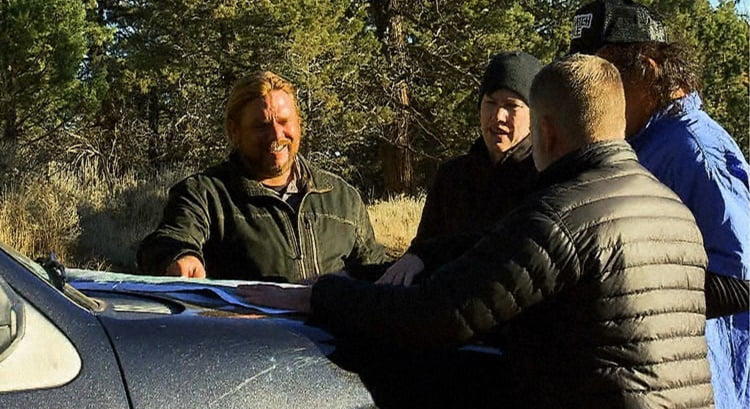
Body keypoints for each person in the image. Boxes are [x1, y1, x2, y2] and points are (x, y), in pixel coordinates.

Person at [240, 54, 714, 408]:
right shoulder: (670, 209)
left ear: (545, 131)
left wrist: (324, 295)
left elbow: (439, 314)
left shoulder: (560, 216)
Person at [569, 2, 750, 407]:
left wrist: (626, 294)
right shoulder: (637, 143)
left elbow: (741, 278)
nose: (591, 95)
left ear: (648, 69)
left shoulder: (695, 151)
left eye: (604, 76)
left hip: (704, 384)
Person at [137, 71, 388, 282]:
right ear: (234, 131)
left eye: (284, 121)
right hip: (247, 327)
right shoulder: (205, 194)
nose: (276, 135)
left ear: (299, 123)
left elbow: (375, 271)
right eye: (261, 126)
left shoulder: (341, 197)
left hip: (328, 328)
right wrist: (180, 257)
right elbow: (168, 240)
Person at [378, 51, 542, 286]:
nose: (498, 116)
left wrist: (429, 254)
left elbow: (509, 249)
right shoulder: (452, 177)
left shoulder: (543, 177)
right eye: (490, 103)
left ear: (534, 115)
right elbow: (416, 258)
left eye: (511, 106)